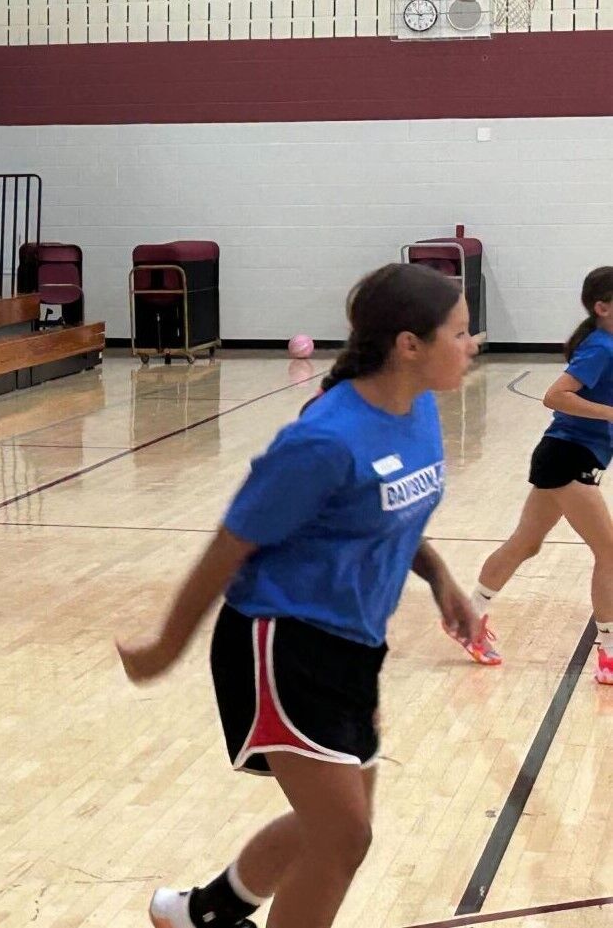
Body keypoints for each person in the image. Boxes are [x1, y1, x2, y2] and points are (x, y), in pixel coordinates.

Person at [117, 263, 480, 928]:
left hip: (356, 644)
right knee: (344, 835)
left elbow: (390, 511)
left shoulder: (417, 407)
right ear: (408, 344)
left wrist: (440, 578)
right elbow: (231, 545)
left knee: (338, 823)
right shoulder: (324, 440)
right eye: (459, 332)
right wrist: (165, 647)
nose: (473, 342)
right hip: (281, 642)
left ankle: (202, 911)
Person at [463, 267, 613, 682]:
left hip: (565, 455)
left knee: (525, 544)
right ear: (602, 307)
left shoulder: (606, 344)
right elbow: (556, 396)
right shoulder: (601, 347)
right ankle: (609, 654)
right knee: (610, 551)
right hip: (568, 457)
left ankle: (467, 616)